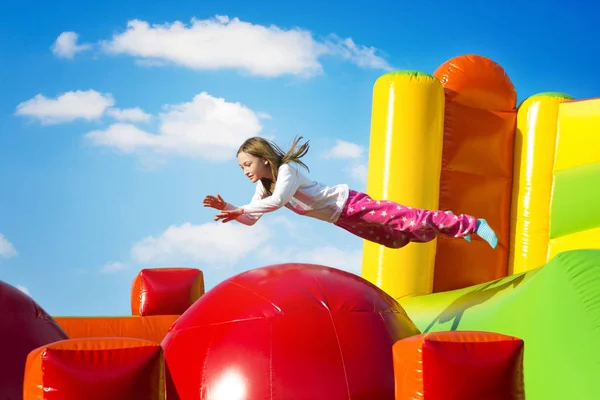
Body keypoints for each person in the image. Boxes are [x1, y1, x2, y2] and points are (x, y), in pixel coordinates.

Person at [203, 136, 498, 249]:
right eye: (241, 168)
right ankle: (445, 223)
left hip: (349, 203)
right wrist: (232, 207)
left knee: (407, 220)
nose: (245, 171)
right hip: (339, 218)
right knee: (396, 239)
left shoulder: (288, 170)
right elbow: (253, 219)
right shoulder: (262, 187)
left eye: (247, 164)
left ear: (264, 159)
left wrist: (240, 209)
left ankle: (471, 224)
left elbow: (278, 202)